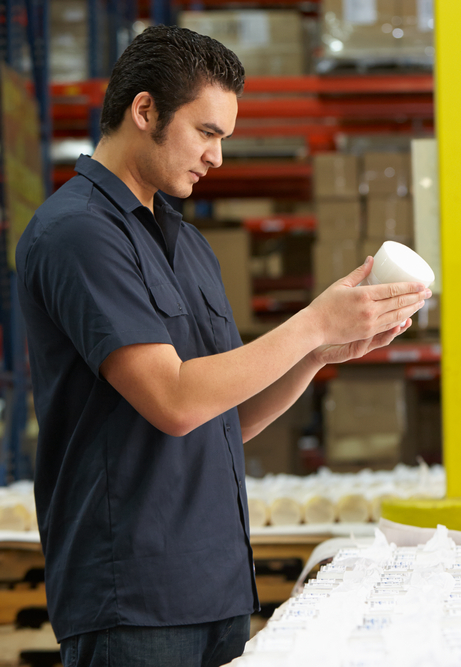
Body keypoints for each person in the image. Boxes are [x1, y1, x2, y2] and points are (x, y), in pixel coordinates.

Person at [16, 26, 429, 667]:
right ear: (145, 110)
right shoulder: (77, 233)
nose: (216, 158)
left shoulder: (187, 246)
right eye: (206, 133)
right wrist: (313, 324)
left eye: (223, 140)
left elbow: (224, 422)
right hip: (135, 599)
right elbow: (175, 401)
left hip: (218, 590)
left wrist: (318, 354)